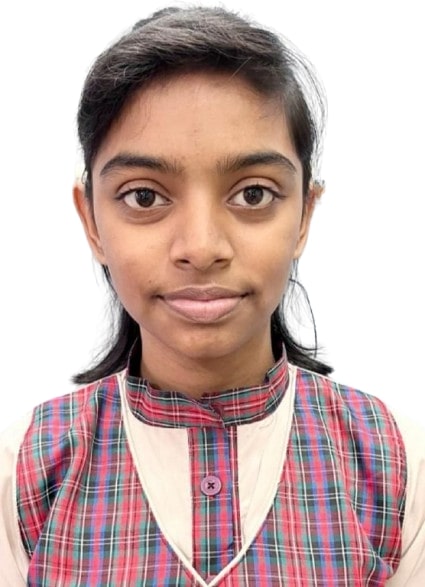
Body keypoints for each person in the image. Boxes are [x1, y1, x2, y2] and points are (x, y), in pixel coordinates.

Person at [1, 6, 424, 586]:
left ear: (304, 214)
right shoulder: (25, 473)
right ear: (92, 221)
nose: (201, 248)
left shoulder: (398, 467)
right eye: (144, 197)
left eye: (253, 193)